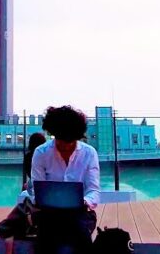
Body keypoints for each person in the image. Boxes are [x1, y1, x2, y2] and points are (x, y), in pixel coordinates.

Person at [30, 105, 100, 251]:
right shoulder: (41, 153)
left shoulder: (89, 154)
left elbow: (93, 191)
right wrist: (40, 199)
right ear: (53, 133)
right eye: (61, 140)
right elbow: (35, 189)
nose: (66, 146)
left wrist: (84, 202)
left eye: (71, 141)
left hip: (80, 213)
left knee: (81, 236)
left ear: (78, 137)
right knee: (45, 239)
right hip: (48, 214)